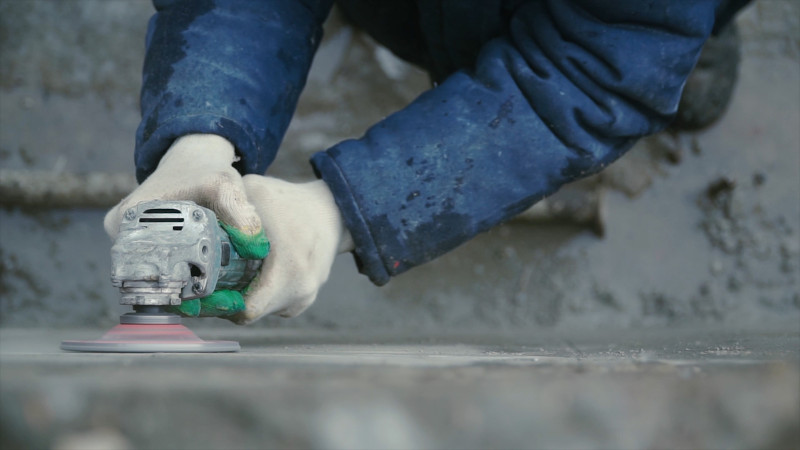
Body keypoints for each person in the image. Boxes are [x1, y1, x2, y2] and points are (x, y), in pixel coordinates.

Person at [105, 0, 748, 324]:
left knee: (647, 67)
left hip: (618, 22)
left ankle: (685, 58)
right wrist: (197, 135)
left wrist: (338, 212)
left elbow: (590, 72)